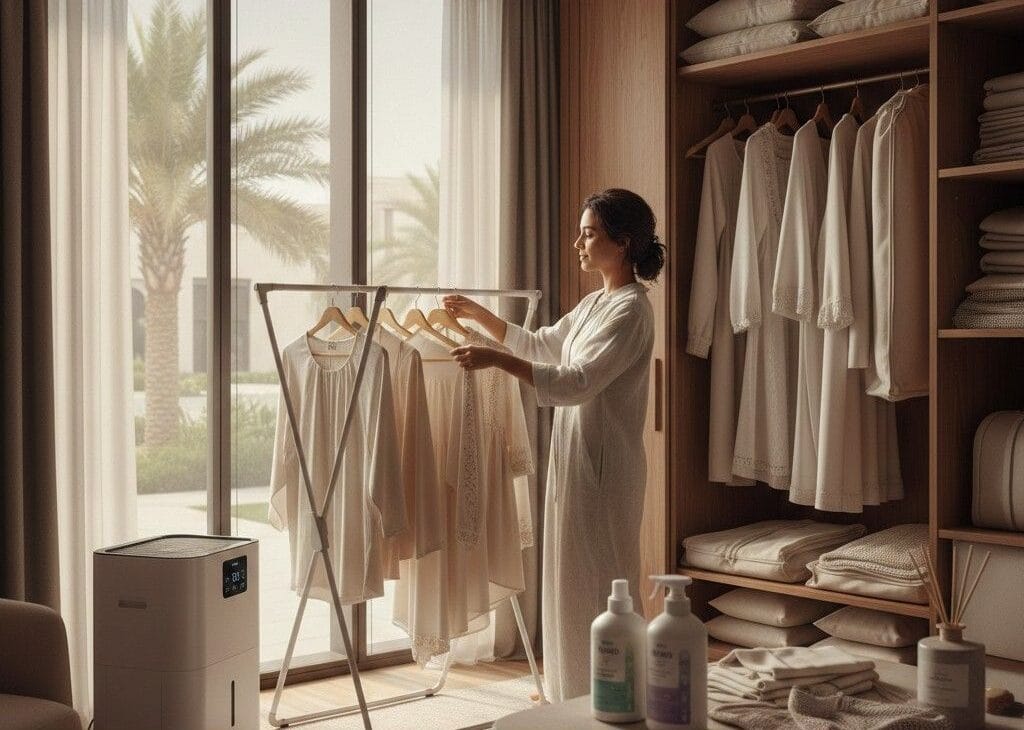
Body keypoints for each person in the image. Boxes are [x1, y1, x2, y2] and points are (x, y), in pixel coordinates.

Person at [443, 188, 665, 702]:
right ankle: (568, 690)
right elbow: (545, 344)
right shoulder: (595, 304)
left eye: (589, 234)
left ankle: (609, 692)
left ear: (623, 242)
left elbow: (577, 380)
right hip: (576, 460)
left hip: (606, 470)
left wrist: (495, 360)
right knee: (566, 578)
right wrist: (483, 316)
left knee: (600, 579)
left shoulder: (631, 312)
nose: (578, 244)